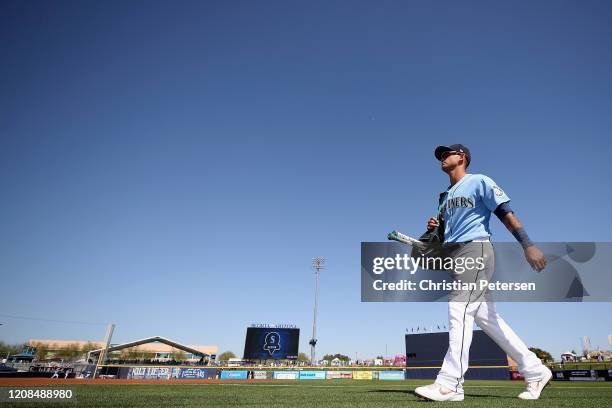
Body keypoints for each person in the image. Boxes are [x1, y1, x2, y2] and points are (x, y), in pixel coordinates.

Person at [414, 144, 552, 402]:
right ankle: (535, 370)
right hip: (455, 254)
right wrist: (436, 227)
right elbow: (443, 234)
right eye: (440, 156)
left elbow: (505, 213)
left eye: (447, 154)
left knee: (459, 310)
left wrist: (528, 244)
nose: (442, 158)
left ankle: (449, 383)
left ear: (462, 157)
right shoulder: (444, 197)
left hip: (475, 249)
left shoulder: (479, 181)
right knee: (488, 319)